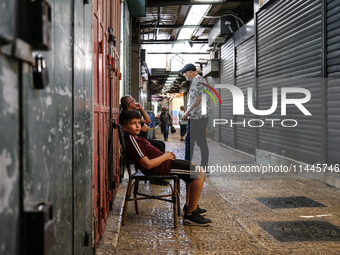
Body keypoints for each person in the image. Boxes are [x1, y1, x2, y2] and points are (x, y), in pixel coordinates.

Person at [119, 110, 211, 226]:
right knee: (199, 173)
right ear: (125, 127)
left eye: (138, 122)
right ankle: (190, 214)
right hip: (159, 168)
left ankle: (190, 205)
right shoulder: (133, 140)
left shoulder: (135, 138)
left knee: (194, 167)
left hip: (163, 164)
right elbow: (147, 164)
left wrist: (166, 156)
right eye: (133, 123)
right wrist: (165, 156)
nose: (138, 125)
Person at [179, 63, 210, 168]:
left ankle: (187, 165)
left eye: (185, 73)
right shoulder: (198, 81)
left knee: (189, 141)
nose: (184, 75)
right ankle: (204, 166)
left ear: (191, 72)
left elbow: (197, 98)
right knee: (201, 142)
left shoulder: (198, 81)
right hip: (200, 117)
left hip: (197, 118)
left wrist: (187, 111)